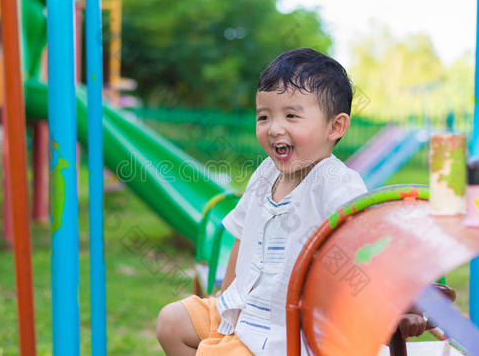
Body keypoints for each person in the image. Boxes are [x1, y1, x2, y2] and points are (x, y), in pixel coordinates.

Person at [156, 48, 427, 355]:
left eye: (291, 116)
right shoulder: (265, 173)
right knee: (172, 322)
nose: (274, 128)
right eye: (264, 116)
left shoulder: (336, 184)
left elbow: (368, 251)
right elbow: (242, 237)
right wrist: (226, 296)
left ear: (335, 127)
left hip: (287, 332)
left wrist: (400, 305)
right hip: (244, 309)